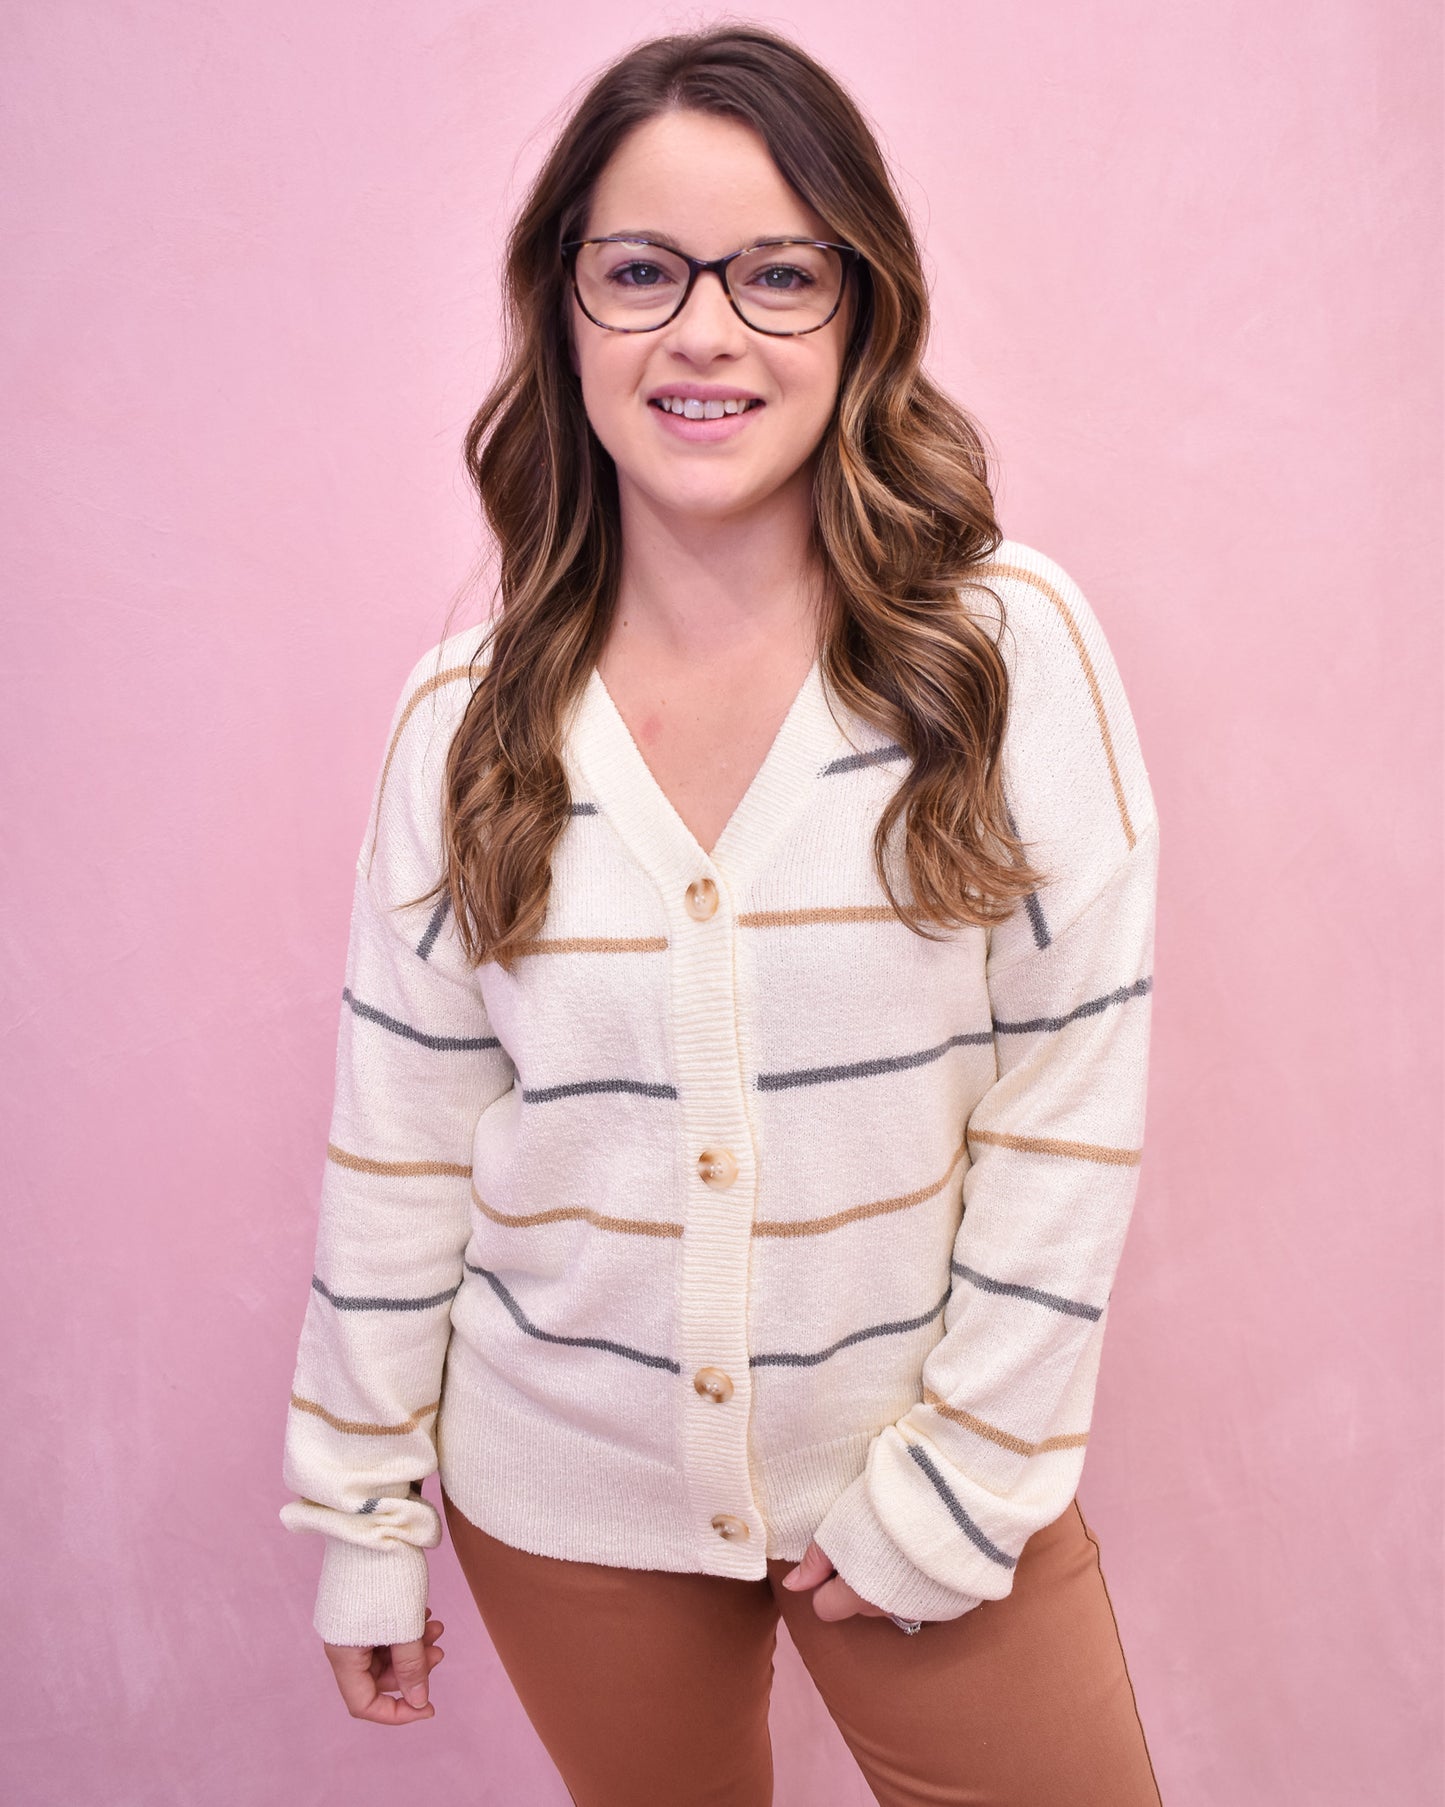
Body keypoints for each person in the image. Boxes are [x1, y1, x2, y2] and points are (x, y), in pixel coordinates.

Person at [279, 25, 1165, 1806]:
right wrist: (365, 1510)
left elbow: (1065, 1099)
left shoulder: (1001, 651)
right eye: (640, 273)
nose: (704, 330)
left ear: (859, 312)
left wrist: (963, 1479)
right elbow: (406, 1146)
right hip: (562, 1495)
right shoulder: (462, 722)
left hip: (919, 1477)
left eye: (775, 274)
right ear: (566, 310)